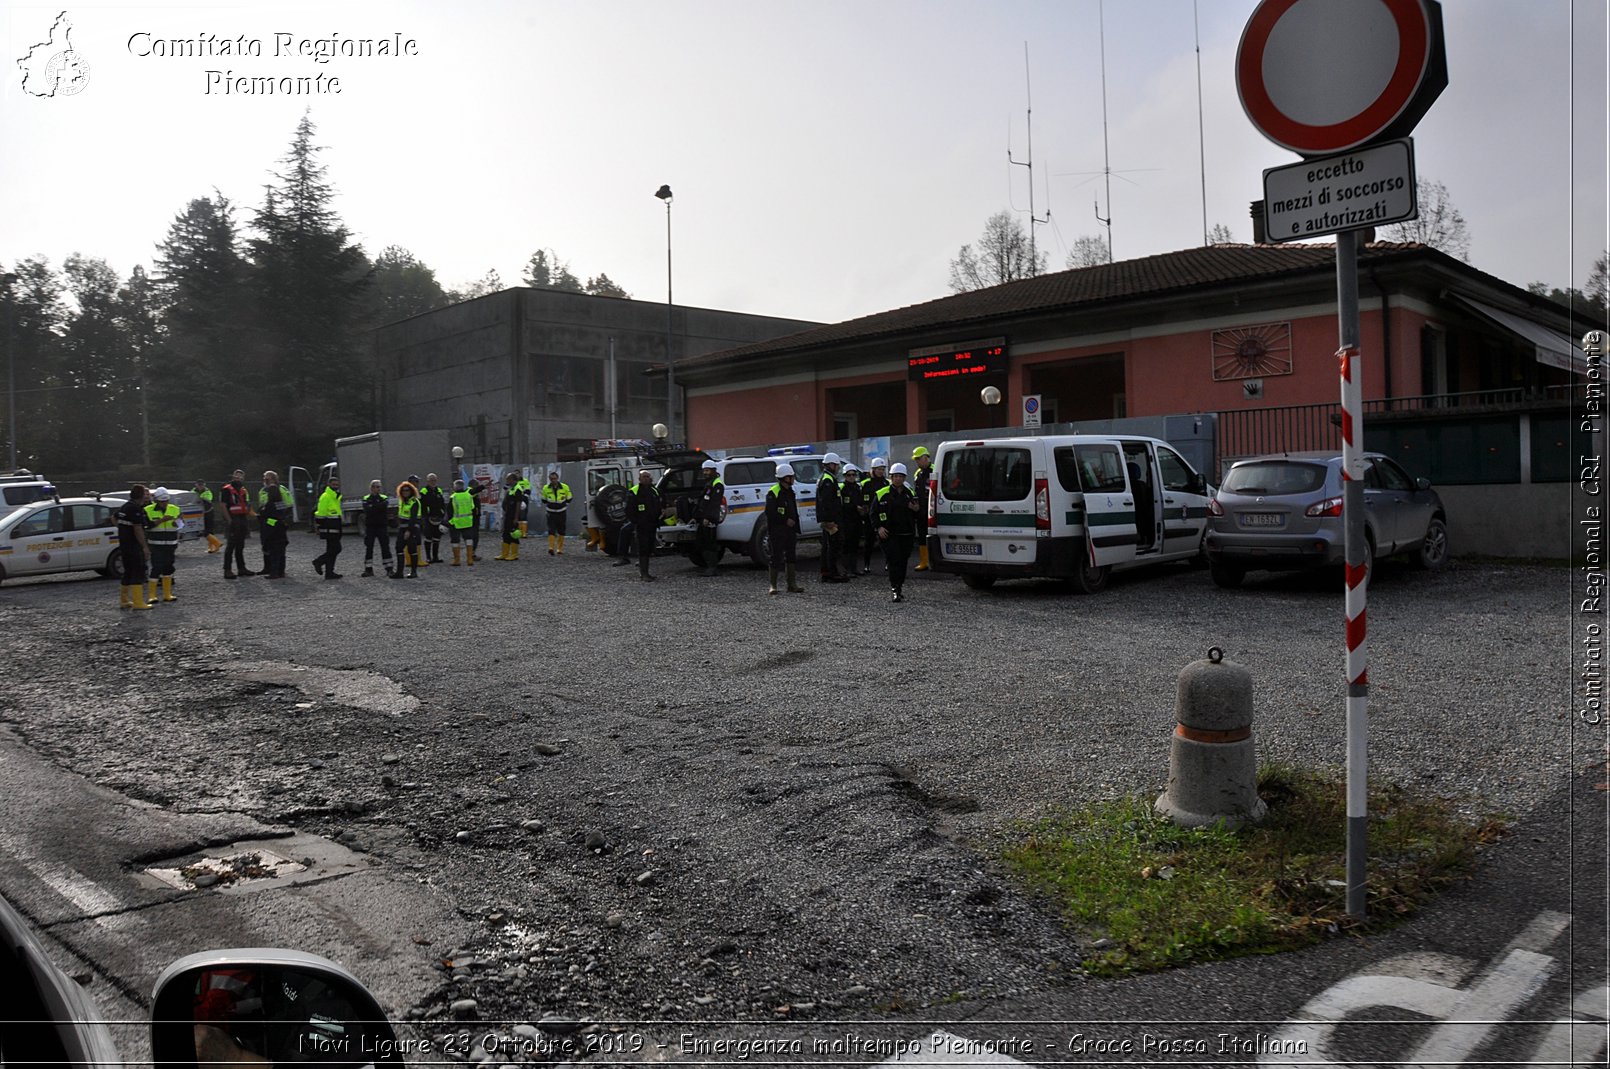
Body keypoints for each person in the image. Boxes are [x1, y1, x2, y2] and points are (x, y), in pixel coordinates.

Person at [875, 462, 920, 602]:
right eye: (895, 476)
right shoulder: (882, 494)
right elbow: (872, 513)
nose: (898, 479)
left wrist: (916, 510)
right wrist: (879, 528)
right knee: (894, 561)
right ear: (891, 477)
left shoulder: (910, 493)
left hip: (906, 534)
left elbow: (918, 514)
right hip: (889, 535)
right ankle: (895, 588)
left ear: (904, 478)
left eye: (901, 476)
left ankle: (900, 585)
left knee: (903, 562)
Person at [765, 462, 804, 595]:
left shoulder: (790, 492)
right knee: (775, 556)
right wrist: (785, 520)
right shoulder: (773, 492)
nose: (793, 479)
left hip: (790, 531)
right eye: (791, 477)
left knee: (791, 556)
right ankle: (773, 585)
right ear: (785, 477)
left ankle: (792, 584)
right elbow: (770, 512)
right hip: (777, 530)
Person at [115, 484, 153, 610]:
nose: (147, 496)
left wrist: (123, 530)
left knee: (128, 572)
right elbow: (138, 529)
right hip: (134, 545)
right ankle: (138, 602)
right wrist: (144, 547)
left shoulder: (124, 507)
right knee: (138, 571)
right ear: (141, 496)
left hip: (124, 545)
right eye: (145, 494)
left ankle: (124, 600)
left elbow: (113, 518)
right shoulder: (135, 509)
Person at [143, 487, 182, 604]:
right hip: (155, 544)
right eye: (162, 501)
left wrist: (177, 523)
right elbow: (147, 526)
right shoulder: (147, 510)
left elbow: (181, 523)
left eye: (166, 501)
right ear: (156, 500)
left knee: (168, 568)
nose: (164, 504)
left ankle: (167, 594)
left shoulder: (175, 509)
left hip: (171, 543)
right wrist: (162, 520)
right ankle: (152, 595)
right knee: (156, 568)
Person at [623, 468, 662, 581]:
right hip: (641, 526)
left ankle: (647, 572)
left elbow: (659, 504)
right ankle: (644, 574)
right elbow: (628, 510)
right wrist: (636, 521)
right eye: (644, 477)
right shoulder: (634, 491)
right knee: (643, 548)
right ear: (639, 479)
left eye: (648, 476)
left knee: (649, 548)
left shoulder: (654, 490)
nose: (646, 479)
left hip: (652, 524)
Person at [815, 452, 848, 583]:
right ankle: (832, 573)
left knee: (827, 546)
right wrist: (829, 521)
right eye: (837, 465)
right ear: (831, 465)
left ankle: (827, 572)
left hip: (828, 519)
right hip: (831, 520)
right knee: (833, 546)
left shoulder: (825, 477)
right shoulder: (828, 480)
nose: (838, 468)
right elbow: (827, 502)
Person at [256, 471, 294, 579]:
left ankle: (275, 571)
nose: (265, 481)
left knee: (274, 548)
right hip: (274, 524)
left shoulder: (282, 489)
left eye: (267, 479)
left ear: (274, 479)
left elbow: (289, 505)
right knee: (269, 546)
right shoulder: (263, 490)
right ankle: (269, 568)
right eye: (264, 479)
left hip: (272, 524)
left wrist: (270, 519)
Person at [692, 459, 725, 577]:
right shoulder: (709, 483)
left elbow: (714, 504)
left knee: (709, 543)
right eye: (704, 471)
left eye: (707, 470)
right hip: (704, 518)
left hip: (710, 519)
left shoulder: (717, 484)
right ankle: (709, 567)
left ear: (713, 470)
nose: (705, 473)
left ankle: (712, 568)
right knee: (703, 542)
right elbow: (703, 501)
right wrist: (696, 517)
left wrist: (707, 517)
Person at [220, 470, 253, 579]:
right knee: (231, 545)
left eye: (241, 477)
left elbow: (246, 504)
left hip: (242, 519)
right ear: (233, 476)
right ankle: (227, 570)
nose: (238, 478)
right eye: (237, 476)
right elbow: (223, 505)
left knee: (240, 545)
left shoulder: (243, 490)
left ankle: (241, 568)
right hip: (233, 519)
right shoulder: (226, 489)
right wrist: (229, 520)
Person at [312, 475, 344, 580]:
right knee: (336, 549)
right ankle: (318, 561)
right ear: (329, 485)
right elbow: (320, 513)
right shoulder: (326, 496)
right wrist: (320, 525)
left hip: (335, 525)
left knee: (332, 549)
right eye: (333, 484)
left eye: (337, 484)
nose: (335, 486)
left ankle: (329, 572)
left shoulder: (335, 496)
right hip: (329, 526)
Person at [860, 458, 889, 574]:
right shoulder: (866, 484)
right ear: (873, 470)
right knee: (869, 542)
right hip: (870, 517)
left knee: (886, 541)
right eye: (878, 469)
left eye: (882, 469)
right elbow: (863, 500)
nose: (881, 471)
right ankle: (866, 565)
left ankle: (888, 563)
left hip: (883, 516)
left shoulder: (886, 483)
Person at [360, 479, 394, 577]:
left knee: (385, 547)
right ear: (372, 488)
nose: (378, 489)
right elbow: (367, 510)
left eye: (379, 487)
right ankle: (368, 569)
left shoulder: (384, 497)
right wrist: (377, 507)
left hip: (382, 526)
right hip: (370, 527)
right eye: (376, 486)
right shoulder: (366, 498)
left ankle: (389, 569)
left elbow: (383, 507)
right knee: (369, 548)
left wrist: (373, 507)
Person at [911, 445, 935, 572]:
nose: (917, 462)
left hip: (933, 509)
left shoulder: (934, 470)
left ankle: (935, 561)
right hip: (920, 510)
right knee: (921, 535)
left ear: (926, 458)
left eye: (919, 459)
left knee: (934, 535)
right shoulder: (917, 473)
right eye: (916, 459)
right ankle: (924, 561)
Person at [394, 480, 424, 578]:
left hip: (412, 529)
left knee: (412, 550)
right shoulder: (402, 501)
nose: (405, 492)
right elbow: (401, 516)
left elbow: (413, 518)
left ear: (411, 491)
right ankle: (399, 572)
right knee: (398, 548)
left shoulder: (414, 502)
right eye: (403, 490)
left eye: (407, 490)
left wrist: (409, 531)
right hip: (402, 529)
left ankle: (414, 572)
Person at [496, 471, 526, 561]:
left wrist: (516, 517)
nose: (507, 480)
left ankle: (514, 554)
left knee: (514, 534)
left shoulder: (518, 489)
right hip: (508, 514)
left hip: (513, 515)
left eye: (508, 479)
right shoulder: (511, 488)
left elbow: (518, 503)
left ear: (513, 480)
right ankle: (504, 553)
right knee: (506, 533)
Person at [839, 463, 862, 579]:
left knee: (855, 545)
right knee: (846, 546)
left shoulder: (857, 487)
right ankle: (846, 570)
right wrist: (854, 507)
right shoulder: (842, 488)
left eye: (853, 475)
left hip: (856, 519)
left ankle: (854, 568)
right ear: (845, 476)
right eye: (849, 475)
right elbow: (841, 505)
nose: (852, 477)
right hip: (846, 520)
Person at [541, 470, 573, 555]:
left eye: (554, 479)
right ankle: (551, 548)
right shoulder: (545, 488)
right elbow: (543, 500)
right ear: (549, 479)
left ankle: (559, 549)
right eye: (551, 479)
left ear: (557, 478)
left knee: (561, 530)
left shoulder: (565, 487)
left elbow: (569, 498)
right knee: (551, 530)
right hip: (550, 512)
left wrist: (564, 504)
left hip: (561, 512)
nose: (553, 480)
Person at [448, 478, 477, 565]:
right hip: (467, 521)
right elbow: (472, 507)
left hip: (456, 522)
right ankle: (469, 559)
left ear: (455, 487)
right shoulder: (468, 495)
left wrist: (449, 521)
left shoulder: (453, 497)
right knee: (468, 540)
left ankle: (457, 560)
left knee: (455, 541)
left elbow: (450, 511)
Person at [420, 473, 448, 565]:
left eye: (434, 480)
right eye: (431, 480)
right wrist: (426, 516)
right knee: (428, 537)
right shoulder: (424, 491)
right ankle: (428, 557)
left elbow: (442, 503)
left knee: (437, 537)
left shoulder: (438, 490)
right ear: (427, 481)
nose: (433, 482)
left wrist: (443, 513)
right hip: (428, 517)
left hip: (438, 517)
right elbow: (422, 505)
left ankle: (435, 557)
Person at [194, 479, 222, 554]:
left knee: (208, 530)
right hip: (199, 513)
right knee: (205, 530)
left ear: (204, 485)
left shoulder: (208, 492)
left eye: (201, 485)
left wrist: (198, 499)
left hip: (208, 513)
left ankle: (216, 544)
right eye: (199, 484)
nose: (200, 486)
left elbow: (206, 501)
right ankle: (214, 546)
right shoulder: (193, 491)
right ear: (196, 485)